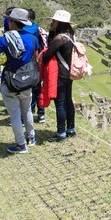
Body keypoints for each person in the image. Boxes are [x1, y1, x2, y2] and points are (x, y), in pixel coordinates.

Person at [0, 8, 39, 154]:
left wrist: (1, 62)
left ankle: (20, 144)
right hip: (27, 80)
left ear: (13, 22)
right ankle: (31, 137)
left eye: (10, 20)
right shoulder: (33, 39)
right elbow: (36, 58)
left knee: (15, 114)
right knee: (27, 110)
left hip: (10, 80)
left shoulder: (5, 39)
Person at [40, 9, 77, 141]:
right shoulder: (70, 36)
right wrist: (51, 31)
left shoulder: (59, 38)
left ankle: (61, 132)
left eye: (54, 21)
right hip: (69, 74)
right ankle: (71, 129)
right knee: (68, 101)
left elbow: (48, 54)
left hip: (60, 75)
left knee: (60, 103)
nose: (52, 23)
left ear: (59, 23)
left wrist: (50, 32)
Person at [26, 8, 49, 123]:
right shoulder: (38, 28)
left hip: (27, 62)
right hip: (38, 62)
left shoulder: (25, 30)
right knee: (37, 88)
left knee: (27, 89)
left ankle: (28, 113)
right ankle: (41, 114)